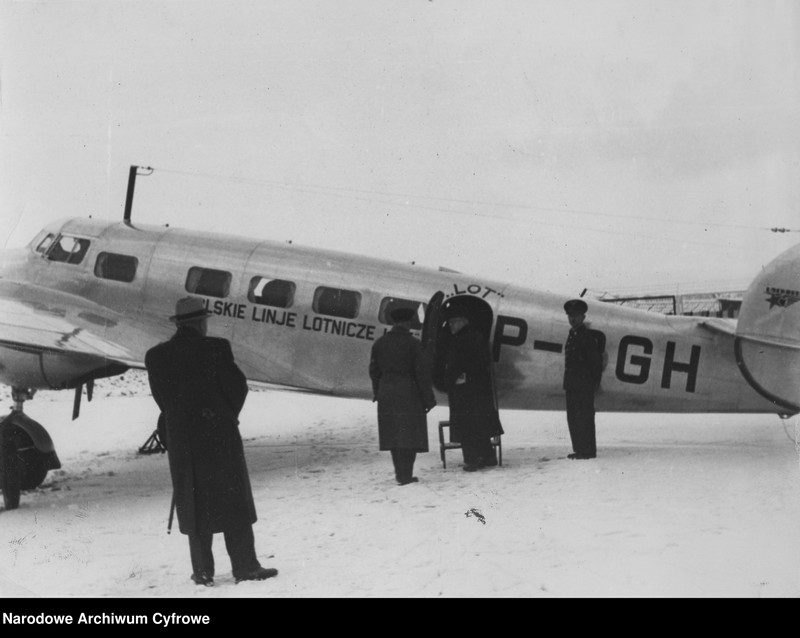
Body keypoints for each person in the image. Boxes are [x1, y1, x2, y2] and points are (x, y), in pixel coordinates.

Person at [145, 296, 278, 587]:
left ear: (179, 323)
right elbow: (237, 387)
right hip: (219, 435)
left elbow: (162, 399)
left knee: (193, 502)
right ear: (201, 322)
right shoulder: (217, 348)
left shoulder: (156, 356)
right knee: (233, 499)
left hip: (183, 440)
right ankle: (245, 566)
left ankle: (203, 572)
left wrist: (180, 420)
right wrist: (225, 415)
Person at [369, 307, 437, 485]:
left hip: (387, 393)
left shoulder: (380, 343)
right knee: (410, 436)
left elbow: (374, 372)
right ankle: (406, 475)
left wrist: (378, 392)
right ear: (407, 323)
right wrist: (428, 399)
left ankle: (400, 474)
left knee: (393, 436)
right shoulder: (414, 344)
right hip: (409, 393)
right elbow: (422, 374)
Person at [442, 304, 504, 472]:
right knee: (479, 424)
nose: (451, 325)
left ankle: (471, 459)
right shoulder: (475, 336)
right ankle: (488, 456)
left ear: (463, 321)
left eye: (454, 322)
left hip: (464, 391)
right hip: (478, 390)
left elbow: (457, 365)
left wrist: (447, 380)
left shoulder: (461, 339)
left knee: (466, 426)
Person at [562, 298, 603, 460]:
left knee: (584, 417)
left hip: (583, 385)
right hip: (572, 385)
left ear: (583, 318)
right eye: (570, 315)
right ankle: (579, 449)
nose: (572, 319)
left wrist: (592, 384)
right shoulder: (572, 334)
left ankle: (587, 451)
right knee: (573, 417)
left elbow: (595, 363)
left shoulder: (585, 337)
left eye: (576, 316)